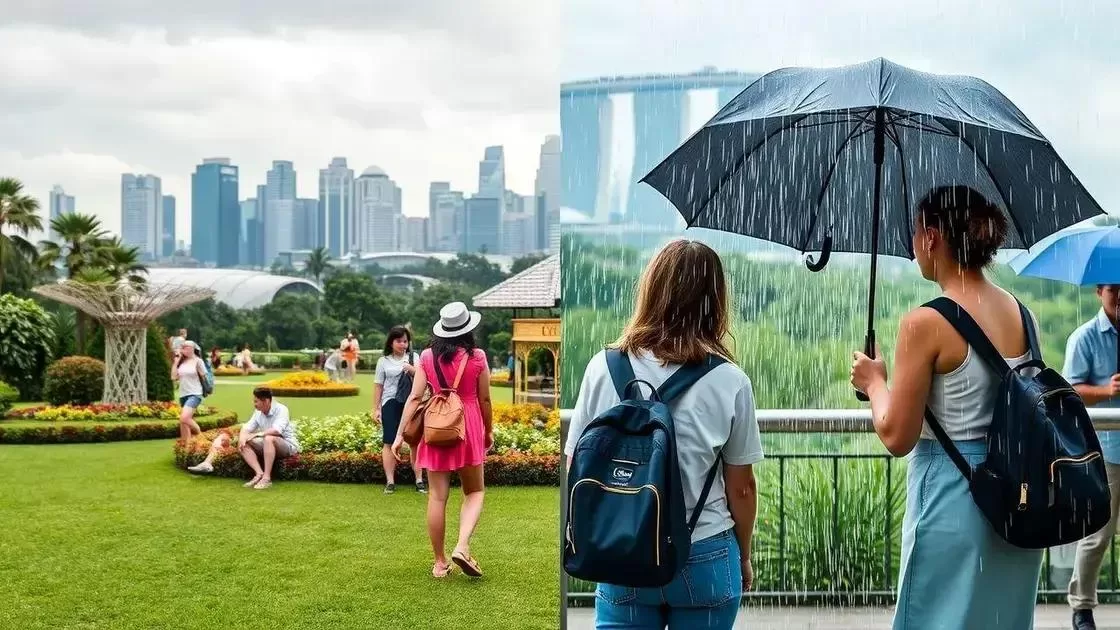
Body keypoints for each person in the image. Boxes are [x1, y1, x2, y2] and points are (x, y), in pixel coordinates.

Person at [850, 185, 1044, 629]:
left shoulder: (926, 323)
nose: (913, 244)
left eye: (914, 232)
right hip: (1017, 497)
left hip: (953, 495)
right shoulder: (1023, 314)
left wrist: (875, 382)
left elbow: (898, 435)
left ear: (932, 236)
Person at [565, 239, 763, 629]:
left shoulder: (602, 368)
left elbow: (577, 465)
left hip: (623, 550)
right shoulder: (730, 381)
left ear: (651, 291)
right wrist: (743, 554)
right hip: (704, 550)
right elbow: (741, 488)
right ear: (715, 299)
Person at [392, 302, 493, 579]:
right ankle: (462, 546)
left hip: (436, 425)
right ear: (468, 329)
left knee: (437, 496)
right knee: (474, 491)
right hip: (467, 423)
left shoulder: (426, 356)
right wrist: (488, 430)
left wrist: (400, 435)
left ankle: (439, 563)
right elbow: (484, 398)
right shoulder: (477, 357)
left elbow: (414, 397)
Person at [1065, 283, 1120, 630]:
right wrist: (1107, 390)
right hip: (1106, 452)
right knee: (1097, 535)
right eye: (1115, 289)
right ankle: (1081, 608)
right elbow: (1071, 391)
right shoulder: (1084, 337)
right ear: (1099, 292)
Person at [375, 326, 425, 494]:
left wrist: (413, 370)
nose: (403, 344)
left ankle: (419, 479)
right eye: (399, 341)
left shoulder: (414, 357)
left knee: (414, 440)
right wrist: (376, 408)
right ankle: (390, 481)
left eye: (405, 341)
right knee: (389, 441)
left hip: (411, 403)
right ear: (391, 342)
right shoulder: (383, 361)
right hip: (390, 402)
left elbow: (424, 378)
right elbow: (378, 386)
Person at [237, 386, 300, 490]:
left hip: (287, 445)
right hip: (268, 445)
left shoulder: (281, 409)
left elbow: (277, 430)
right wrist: (242, 438)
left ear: (266, 401)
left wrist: (257, 434)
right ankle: (259, 474)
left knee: (268, 438)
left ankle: (267, 478)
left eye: (256, 401)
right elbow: (246, 427)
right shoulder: (258, 412)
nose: (254, 404)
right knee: (244, 442)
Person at [171, 340, 208, 444]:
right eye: (182, 347)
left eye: (185, 347)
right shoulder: (182, 362)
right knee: (184, 423)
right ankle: (186, 446)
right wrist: (176, 362)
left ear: (192, 349)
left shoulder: (198, 361)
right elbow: (173, 377)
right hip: (183, 394)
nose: (183, 349)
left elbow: (204, 377)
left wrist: (206, 388)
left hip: (195, 393)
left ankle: (200, 434)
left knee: (184, 418)